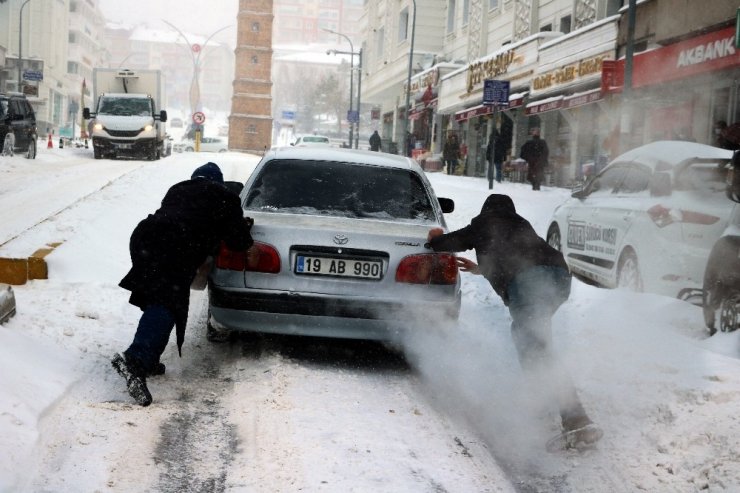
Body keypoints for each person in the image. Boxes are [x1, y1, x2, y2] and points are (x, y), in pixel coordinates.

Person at [426, 194, 602, 449]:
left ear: (487, 210)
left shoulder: (484, 223)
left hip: (530, 282)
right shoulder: (520, 224)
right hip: (559, 277)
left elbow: (451, 242)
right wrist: (480, 268)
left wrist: (435, 239)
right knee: (530, 340)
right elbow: (514, 256)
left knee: (539, 348)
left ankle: (577, 420)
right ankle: (541, 401)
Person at [112, 162, 254, 406]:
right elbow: (238, 241)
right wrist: (244, 228)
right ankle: (135, 359)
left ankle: (148, 358)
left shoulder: (178, 188)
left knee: (160, 297)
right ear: (218, 181)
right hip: (175, 244)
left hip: (145, 237)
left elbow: (187, 215)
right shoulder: (225, 197)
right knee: (167, 302)